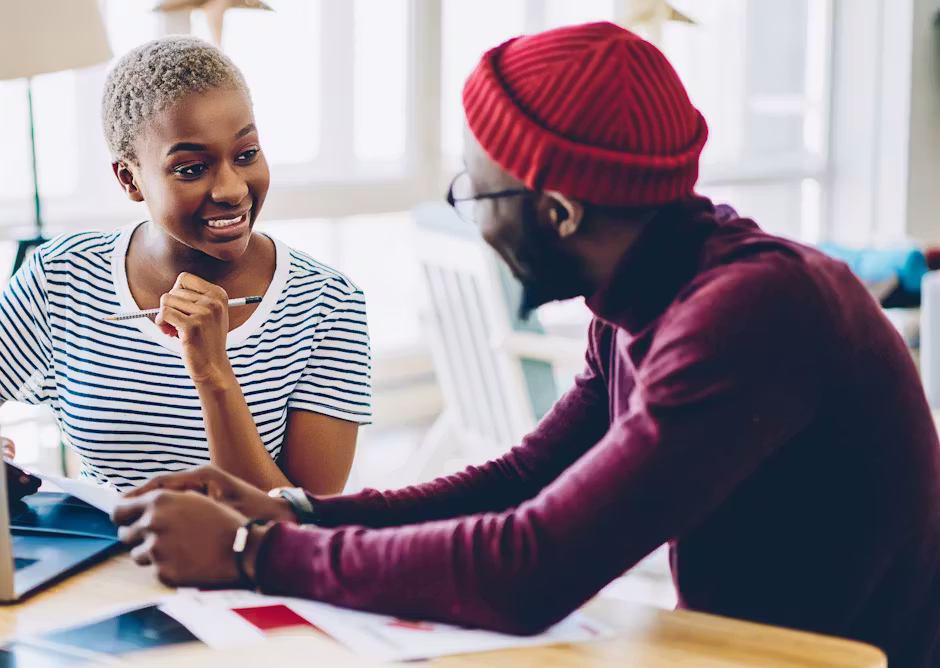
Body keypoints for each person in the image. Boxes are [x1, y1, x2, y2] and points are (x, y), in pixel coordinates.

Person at [110, 22, 940, 666]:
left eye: (476, 188)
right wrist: (298, 513)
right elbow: (524, 480)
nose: (467, 208)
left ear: (560, 211)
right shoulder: (645, 294)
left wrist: (256, 552)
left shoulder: (750, 315)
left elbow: (532, 565)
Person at [0, 36, 372, 494]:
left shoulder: (327, 304)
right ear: (129, 178)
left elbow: (309, 526)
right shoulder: (61, 277)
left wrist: (213, 374)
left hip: (246, 566)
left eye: (246, 155)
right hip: (102, 561)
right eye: (190, 168)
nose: (231, 189)